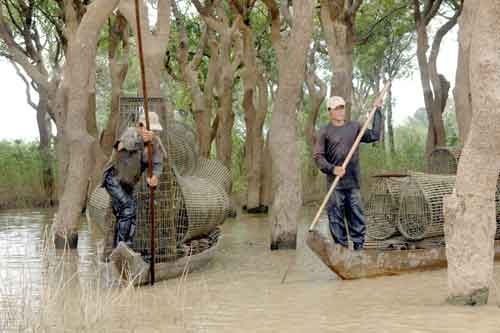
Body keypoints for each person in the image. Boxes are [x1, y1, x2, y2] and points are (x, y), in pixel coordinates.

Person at [313, 96, 382, 250]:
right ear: (330, 111)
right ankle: (341, 250)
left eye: (342, 107)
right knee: (336, 219)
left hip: (353, 182)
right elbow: (318, 157)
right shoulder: (324, 131)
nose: (340, 111)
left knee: (357, 217)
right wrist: (333, 168)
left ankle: (358, 250)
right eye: (336, 108)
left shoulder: (355, 127)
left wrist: (377, 111)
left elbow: (374, 135)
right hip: (335, 184)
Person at [102, 112, 164, 248]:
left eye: (154, 130)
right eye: (149, 129)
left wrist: (155, 177)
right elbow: (122, 146)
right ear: (141, 126)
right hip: (113, 179)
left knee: (131, 212)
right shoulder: (131, 133)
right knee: (128, 208)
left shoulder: (155, 143)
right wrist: (142, 140)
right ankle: (121, 247)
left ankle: (124, 246)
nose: (152, 132)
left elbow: (158, 163)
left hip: (129, 184)